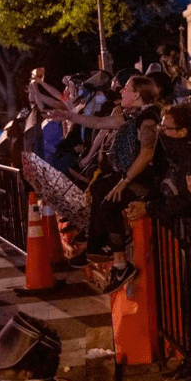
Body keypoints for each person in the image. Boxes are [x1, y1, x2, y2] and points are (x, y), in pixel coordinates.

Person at [46, 76, 160, 294]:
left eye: (126, 89)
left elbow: (147, 154)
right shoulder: (131, 115)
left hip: (146, 180)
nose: (121, 93)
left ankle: (118, 262)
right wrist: (70, 116)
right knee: (99, 188)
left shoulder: (149, 119)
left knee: (109, 200)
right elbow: (100, 123)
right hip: (133, 176)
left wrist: (124, 182)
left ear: (137, 94)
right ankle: (98, 247)